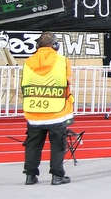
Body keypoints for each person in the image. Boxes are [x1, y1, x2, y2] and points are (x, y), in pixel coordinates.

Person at [22, 32, 74, 185]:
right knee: (58, 145)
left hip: (34, 111)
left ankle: (30, 176)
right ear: (55, 45)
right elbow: (68, 82)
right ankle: (57, 175)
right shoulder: (62, 61)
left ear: (37, 46)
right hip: (57, 112)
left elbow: (24, 84)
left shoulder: (28, 62)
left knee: (33, 144)